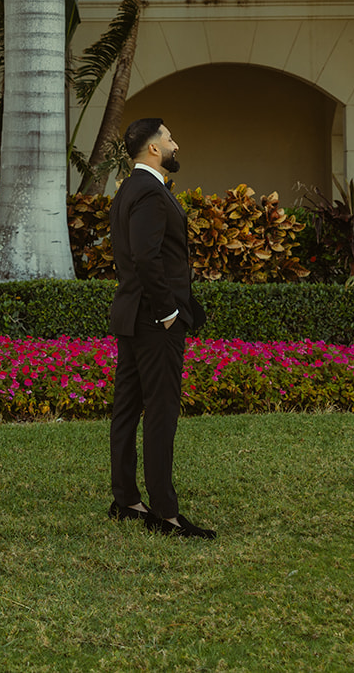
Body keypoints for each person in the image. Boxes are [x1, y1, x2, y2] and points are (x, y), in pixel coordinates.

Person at [106, 117, 215, 540]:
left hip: (133, 316)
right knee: (161, 413)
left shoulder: (129, 191)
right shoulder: (150, 192)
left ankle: (127, 500)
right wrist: (169, 311)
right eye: (169, 138)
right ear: (153, 148)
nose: (175, 143)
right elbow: (146, 258)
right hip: (154, 321)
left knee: (127, 410)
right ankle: (165, 514)